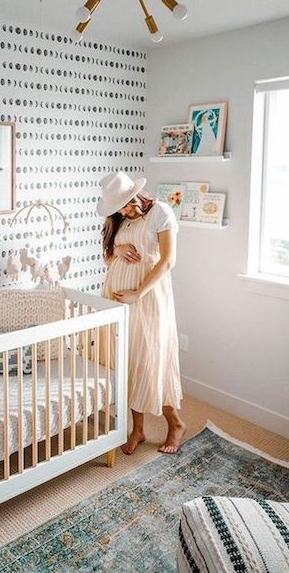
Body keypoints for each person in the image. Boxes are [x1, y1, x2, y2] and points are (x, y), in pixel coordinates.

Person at [97, 171, 185, 455]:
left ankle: (175, 424)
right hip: (117, 301)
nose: (123, 209)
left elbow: (167, 261)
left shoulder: (160, 212)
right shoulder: (117, 219)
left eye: (125, 203)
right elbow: (108, 257)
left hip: (148, 299)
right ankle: (138, 429)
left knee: (151, 360)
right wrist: (118, 248)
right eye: (118, 206)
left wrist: (137, 294)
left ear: (135, 194)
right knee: (129, 361)